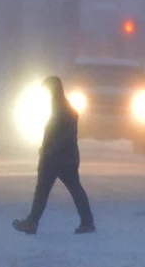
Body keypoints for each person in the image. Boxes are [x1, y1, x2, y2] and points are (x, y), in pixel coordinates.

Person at [13, 76, 95, 235]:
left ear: (53, 89)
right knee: (72, 189)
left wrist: (49, 150)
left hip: (56, 159)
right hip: (65, 158)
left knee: (44, 190)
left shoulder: (61, 107)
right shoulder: (61, 105)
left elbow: (62, 134)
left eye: (47, 89)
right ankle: (87, 222)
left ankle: (32, 222)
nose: (46, 92)